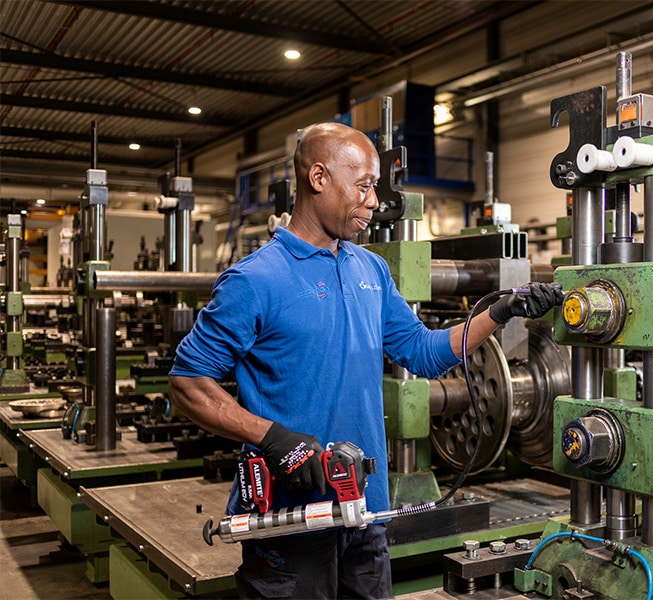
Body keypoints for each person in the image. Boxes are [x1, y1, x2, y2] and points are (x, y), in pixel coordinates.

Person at [168, 122, 563, 599]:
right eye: (364, 186)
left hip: (364, 513)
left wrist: (499, 311)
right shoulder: (255, 279)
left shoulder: (369, 268)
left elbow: (423, 353)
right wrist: (272, 438)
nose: (374, 201)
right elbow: (188, 383)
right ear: (318, 178)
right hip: (289, 521)